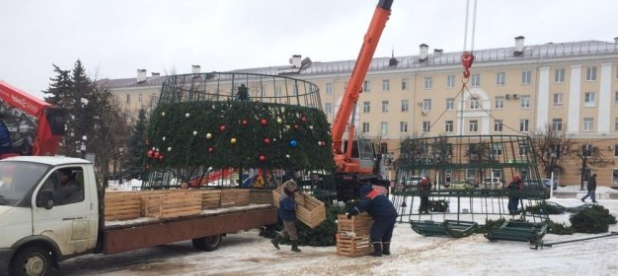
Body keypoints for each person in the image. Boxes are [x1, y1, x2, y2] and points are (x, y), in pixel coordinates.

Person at [347, 185, 398, 257]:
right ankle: (386, 251)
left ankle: (378, 252)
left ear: (364, 192)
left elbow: (362, 206)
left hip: (383, 215)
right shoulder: (378, 195)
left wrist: (352, 212)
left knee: (375, 232)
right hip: (392, 214)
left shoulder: (370, 197)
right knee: (387, 233)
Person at [271, 180, 301, 253]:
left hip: (289, 215)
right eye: (292, 188)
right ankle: (294, 247)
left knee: (288, 230)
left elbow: (294, 195)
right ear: (289, 187)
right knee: (292, 231)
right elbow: (288, 207)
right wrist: (295, 205)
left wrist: (299, 192)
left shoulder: (290, 192)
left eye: (294, 187)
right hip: (286, 215)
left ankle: (275, 240)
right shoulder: (285, 196)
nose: (294, 189)